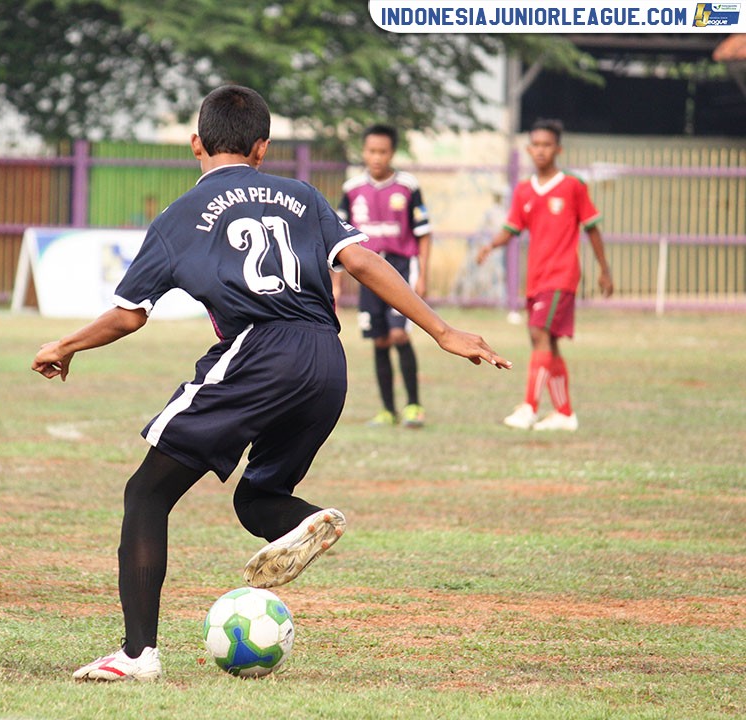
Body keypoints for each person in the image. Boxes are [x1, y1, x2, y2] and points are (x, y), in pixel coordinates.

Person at [32, 85, 510, 682]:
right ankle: (304, 519)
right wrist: (442, 331)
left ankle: (137, 655)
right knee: (257, 497)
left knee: (146, 495)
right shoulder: (302, 195)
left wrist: (65, 345)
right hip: (326, 361)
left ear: (195, 144)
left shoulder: (178, 217)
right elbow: (363, 261)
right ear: (262, 148)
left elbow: (130, 315)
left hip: (260, 352)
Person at [477, 118, 613, 431]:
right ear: (528, 149)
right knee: (546, 342)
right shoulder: (524, 190)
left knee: (539, 334)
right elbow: (512, 228)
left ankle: (529, 407)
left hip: (561, 276)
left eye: (547, 145)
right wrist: (491, 245)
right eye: (536, 145)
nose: (540, 150)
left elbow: (592, 228)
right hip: (536, 278)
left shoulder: (572, 185)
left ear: (558, 149)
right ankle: (564, 413)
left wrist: (604, 270)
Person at [333, 124, 433, 428]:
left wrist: (422, 275)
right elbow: (336, 238)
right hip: (367, 272)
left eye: (383, 151)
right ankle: (388, 410)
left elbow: (424, 233)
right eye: (371, 151)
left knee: (399, 334)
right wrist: (336, 283)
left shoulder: (408, 186)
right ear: (364, 152)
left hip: (400, 267)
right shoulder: (352, 189)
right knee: (379, 340)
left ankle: (414, 406)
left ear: (392, 153)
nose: (377, 157)